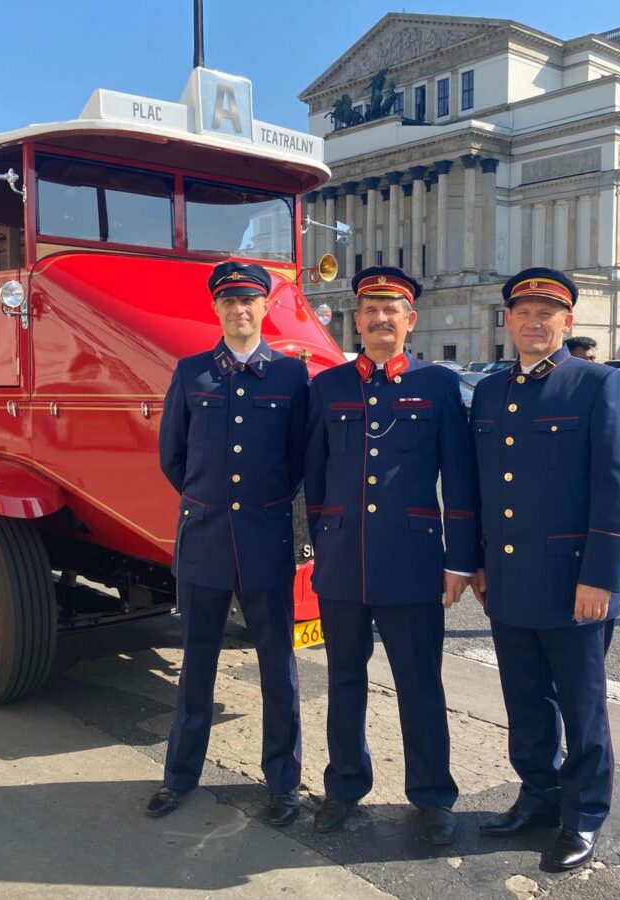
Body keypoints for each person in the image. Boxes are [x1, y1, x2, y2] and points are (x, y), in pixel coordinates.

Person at [463, 267, 620, 870]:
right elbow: (483, 487)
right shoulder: (489, 392)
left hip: (573, 585)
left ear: (568, 321)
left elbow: (616, 488)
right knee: (525, 701)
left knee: (581, 705)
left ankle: (584, 815)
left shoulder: (597, 384)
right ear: (507, 320)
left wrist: (602, 576)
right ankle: (537, 797)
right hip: (508, 581)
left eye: (548, 313)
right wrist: (478, 563)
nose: (534, 323)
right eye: (523, 312)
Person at [304, 265, 476, 845]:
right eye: (370, 311)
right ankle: (345, 786)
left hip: (411, 562)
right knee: (344, 680)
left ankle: (432, 797)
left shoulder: (439, 386)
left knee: (419, 684)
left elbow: (460, 478)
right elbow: (315, 477)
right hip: (343, 561)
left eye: (391, 311)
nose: (381, 320)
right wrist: (318, 546)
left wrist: (459, 560)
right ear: (356, 320)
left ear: (410, 321)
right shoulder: (327, 387)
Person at [151, 261, 309, 827]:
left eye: (250, 301)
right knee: (196, 664)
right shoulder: (192, 373)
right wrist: (209, 502)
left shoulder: (291, 377)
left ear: (265, 307)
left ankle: (284, 783)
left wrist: (262, 507)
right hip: (205, 542)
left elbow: (297, 462)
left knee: (277, 668)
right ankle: (179, 776)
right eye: (229, 302)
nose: (240, 310)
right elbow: (174, 456)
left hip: (264, 542)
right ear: (215, 309)